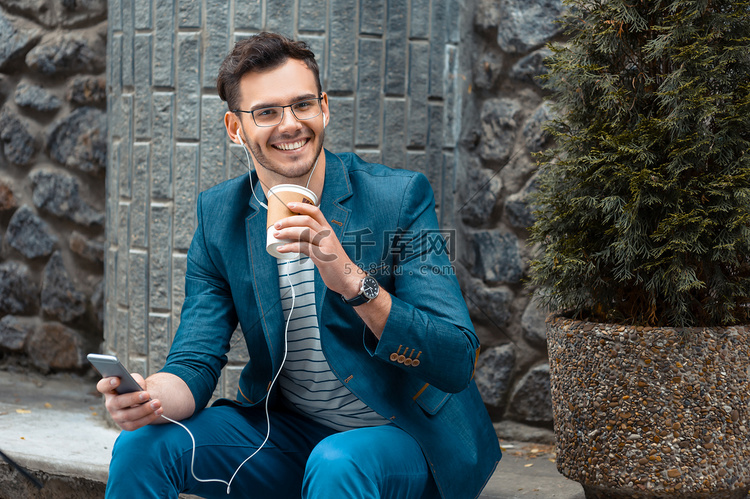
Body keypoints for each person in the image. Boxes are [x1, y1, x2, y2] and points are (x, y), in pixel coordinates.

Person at [97, 32, 501, 499]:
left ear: (324, 108)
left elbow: (455, 360)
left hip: (406, 436)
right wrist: (148, 399)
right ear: (235, 128)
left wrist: (350, 279)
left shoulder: (398, 198)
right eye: (266, 112)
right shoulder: (220, 216)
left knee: (338, 463)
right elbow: (195, 357)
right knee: (143, 444)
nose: (290, 124)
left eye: (303, 105)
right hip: (290, 434)